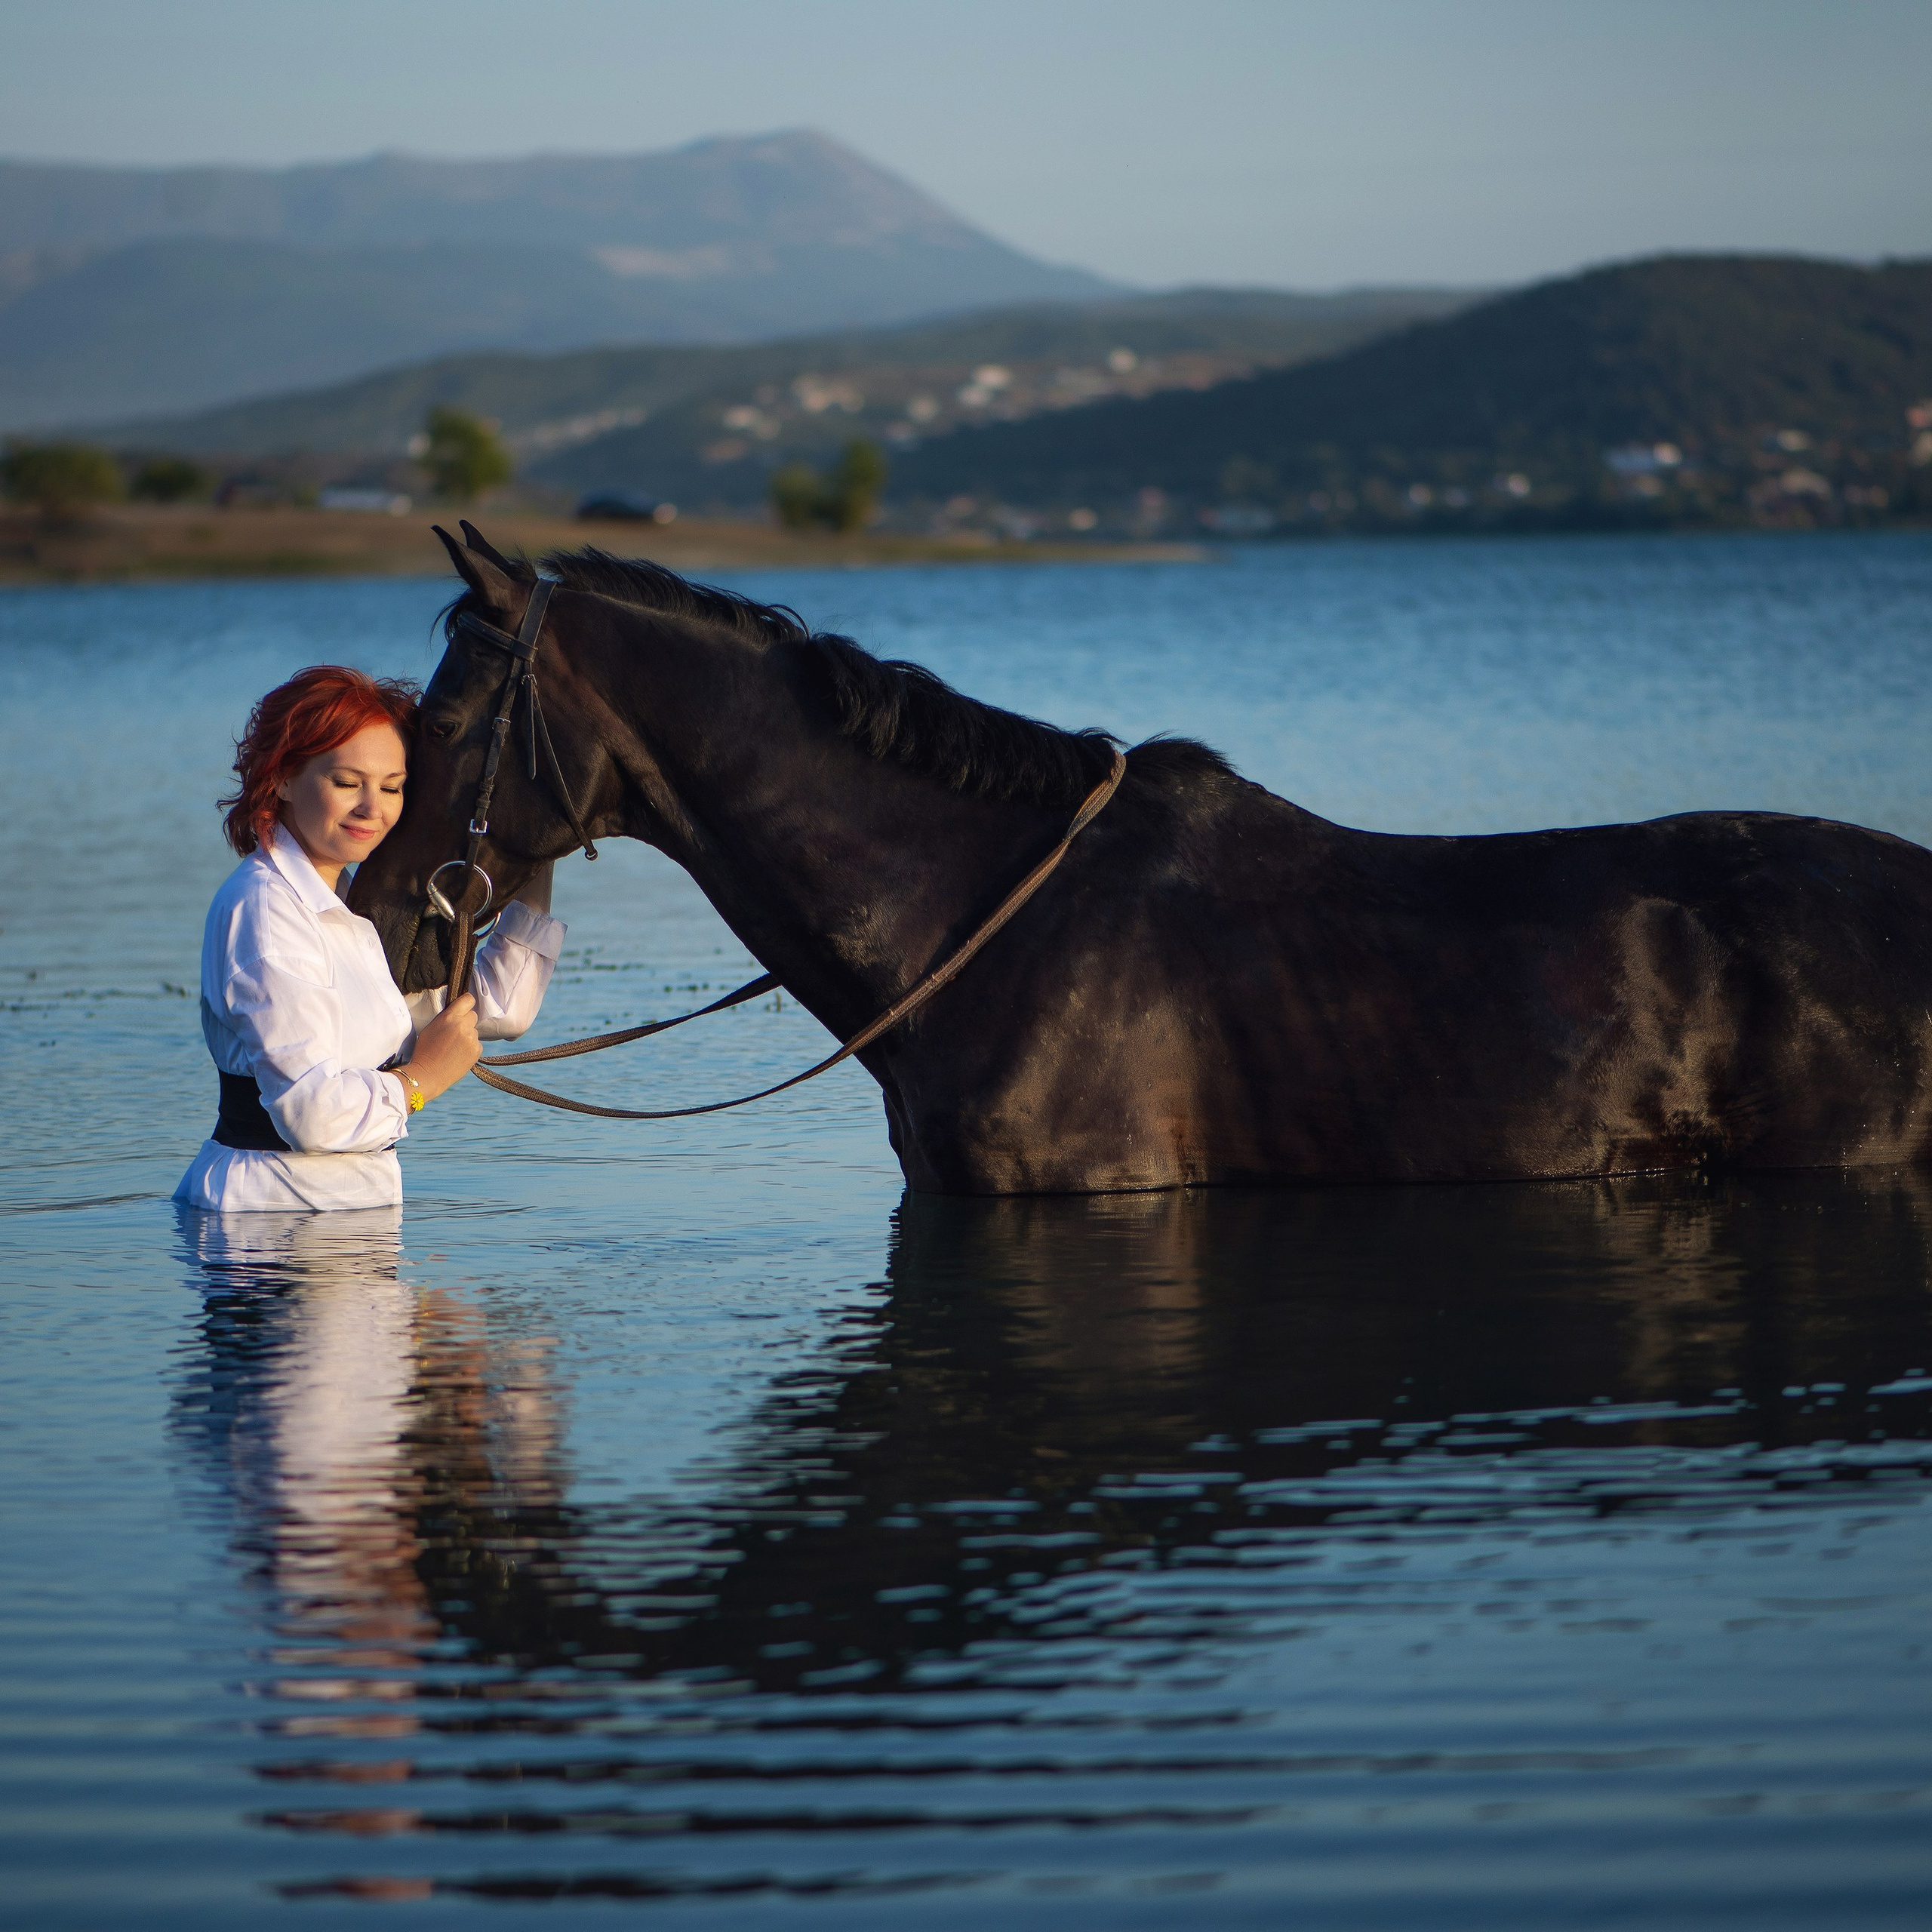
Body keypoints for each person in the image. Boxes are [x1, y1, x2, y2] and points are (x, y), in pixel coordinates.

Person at [174, 665, 565, 1213]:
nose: (372, 808)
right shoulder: (268, 909)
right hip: (269, 1231)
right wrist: (421, 1078)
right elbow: (312, 1115)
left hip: (338, 1225)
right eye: (346, 782)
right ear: (283, 777)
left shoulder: (349, 909)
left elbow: (497, 1009)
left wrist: (537, 846)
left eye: (392, 787)